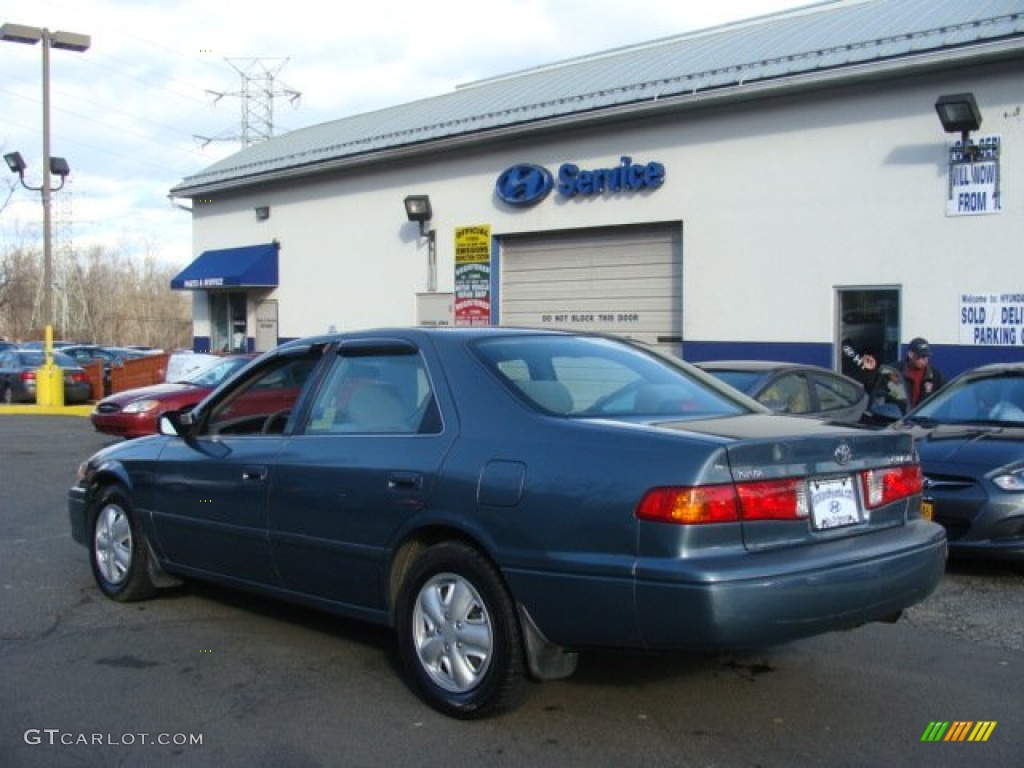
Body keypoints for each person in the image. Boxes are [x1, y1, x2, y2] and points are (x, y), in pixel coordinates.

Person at [900, 337, 944, 407]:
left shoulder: (935, 375)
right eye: (921, 356)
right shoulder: (896, 371)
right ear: (910, 354)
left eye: (927, 356)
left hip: (923, 417)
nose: (925, 359)